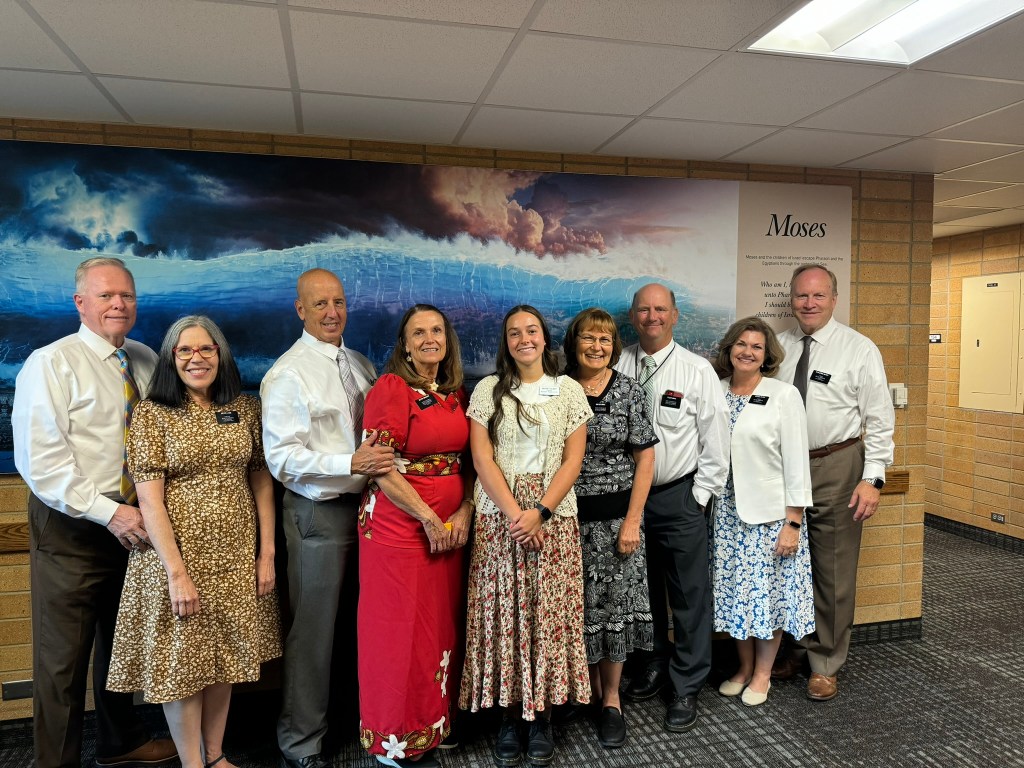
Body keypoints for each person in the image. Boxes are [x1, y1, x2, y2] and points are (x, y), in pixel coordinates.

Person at [12, 257, 177, 768]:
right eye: (106, 295)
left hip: (136, 524)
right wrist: (109, 513)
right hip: (73, 525)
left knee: (119, 645)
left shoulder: (146, 359)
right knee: (62, 661)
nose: (118, 304)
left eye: (126, 295)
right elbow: (41, 463)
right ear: (80, 302)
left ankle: (119, 743)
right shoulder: (50, 362)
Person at [106, 315, 282, 768]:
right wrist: (177, 574)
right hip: (178, 558)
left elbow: (261, 479)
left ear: (220, 355)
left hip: (235, 553)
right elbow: (150, 500)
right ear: (171, 358)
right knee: (183, 663)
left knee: (224, 656)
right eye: (184, 350)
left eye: (206, 348)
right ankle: (192, 763)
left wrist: (266, 552)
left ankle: (216, 756)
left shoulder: (245, 408)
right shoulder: (152, 413)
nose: (196, 358)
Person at [262, 268, 395, 768]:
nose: (332, 312)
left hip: (370, 512)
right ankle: (301, 742)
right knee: (313, 632)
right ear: (300, 310)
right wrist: (349, 463)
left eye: (338, 302)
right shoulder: (288, 373)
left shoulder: (358, 363)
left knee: (362, 625)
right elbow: (282, 459)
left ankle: (351, 722)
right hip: (319, 514)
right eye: (320, 304)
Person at [460, 305, 591, 768]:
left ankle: (542, 718)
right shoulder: (488, 390)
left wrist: (541, 512)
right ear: (506, 342)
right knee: (504, 614)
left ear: (544, 337)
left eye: (531, 330)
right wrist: (518, 515)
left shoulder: (569, 390)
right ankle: (509, 717)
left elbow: (573, 460)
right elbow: (481, 459)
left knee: (545, 613)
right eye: (514, 333)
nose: (524, 339)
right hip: (500, 517)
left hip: (553, 515)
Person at [356, 304, 474, 768]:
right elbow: (379, 466)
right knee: (397, 632)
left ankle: (433, 723)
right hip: (399, 529)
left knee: (437, 629)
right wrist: (427, 517)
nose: (430, 339)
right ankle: (395, 738)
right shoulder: (391, 388)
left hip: (449, 529)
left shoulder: (454, 392)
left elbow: (470, 462)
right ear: (404, 344)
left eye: (437, 330)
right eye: (419, 332)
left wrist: (463, 510)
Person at [773, 264, 895, 701]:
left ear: (834, 299)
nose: (809, 303)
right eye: (802, 296)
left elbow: (880, 419)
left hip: (836, 464)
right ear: (792, 299)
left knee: (833, 569)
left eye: (818, 295)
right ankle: (792, 650)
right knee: (784, 563)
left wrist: (873, 478)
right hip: (783, 469)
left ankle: (824, 662)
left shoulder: (859, 349)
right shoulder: (779, 348)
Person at [614, 283, 729, 733]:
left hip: (677, 497)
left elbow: (716, 443)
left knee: (688, 595)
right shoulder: (617, 363)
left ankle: (686, 683)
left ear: (675, 315)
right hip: (625, 501)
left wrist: (697, 499)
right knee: (640, 591)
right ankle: (654, 663)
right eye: (643, 309)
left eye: (660, 309)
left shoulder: (696, 370)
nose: (652, 317)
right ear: (632, 316)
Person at [562, 308, 657, 748]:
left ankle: (612, 700)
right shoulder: (558, 388)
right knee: (579, 609)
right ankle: (589, 690)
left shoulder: (630, 391)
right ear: (574, 343)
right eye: (588, 338)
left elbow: (645, 458)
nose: (596, 346)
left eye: (604, 339)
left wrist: (633, 520)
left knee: (613, 610)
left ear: (614, 346)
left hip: (620, 523)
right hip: (567, 521)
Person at [710, 317, 814, 707]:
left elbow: (797, 463)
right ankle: (743, 667)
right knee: (737, 593)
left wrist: (793, 522)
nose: (748, 352)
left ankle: (763, 674)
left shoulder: (783, 395)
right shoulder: (716, 391)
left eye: (757, 346)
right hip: (726, 515)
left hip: (770, 518)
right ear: (729, 349)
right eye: (741, 344)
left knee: (766, 596)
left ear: (767, 355)